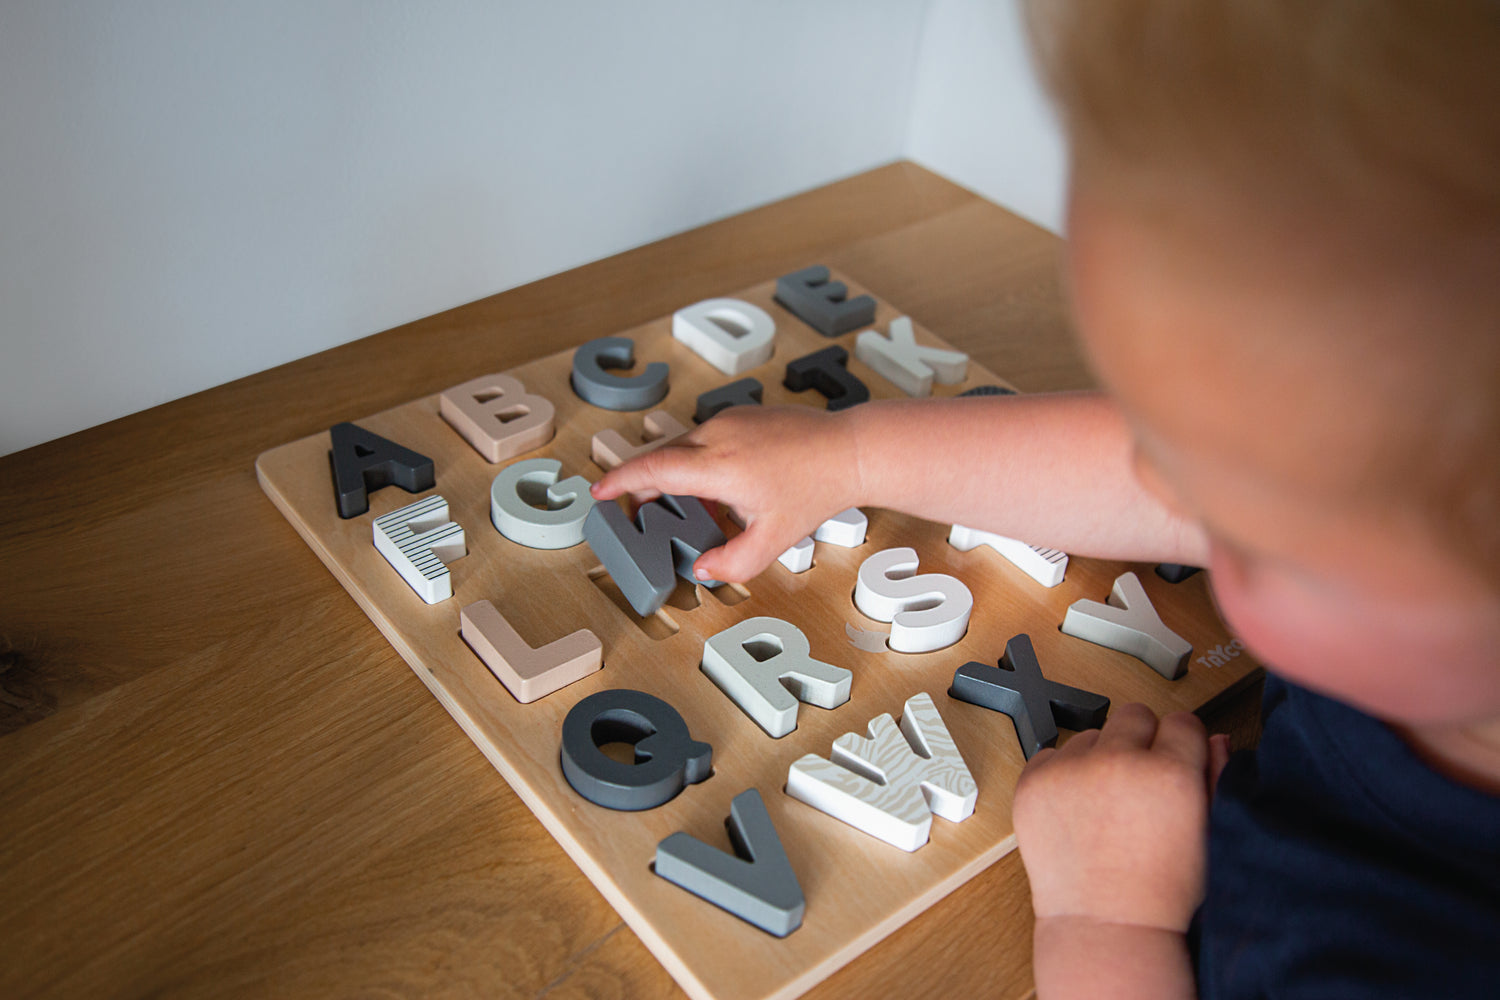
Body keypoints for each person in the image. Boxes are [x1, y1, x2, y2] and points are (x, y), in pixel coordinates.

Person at [592, 1, 1500, 995]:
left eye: (1236, 512)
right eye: (1161, 434)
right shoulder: (1418, 536)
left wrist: (1107, 923)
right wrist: (846, 453)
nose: (1153, 485)